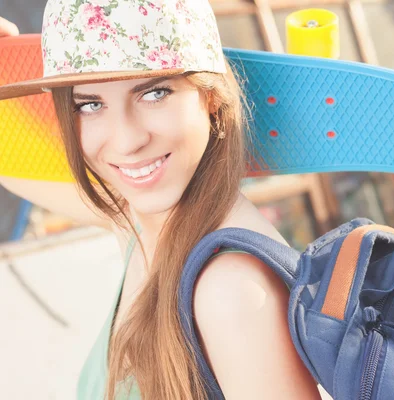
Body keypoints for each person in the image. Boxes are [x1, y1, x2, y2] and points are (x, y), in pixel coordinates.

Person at [0, 1, 327, 399]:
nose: (127, 141)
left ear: (210, 97)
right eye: (90, 104)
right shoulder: (140, 222)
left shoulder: (231, 289)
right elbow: (9, 165)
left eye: (154, 93)